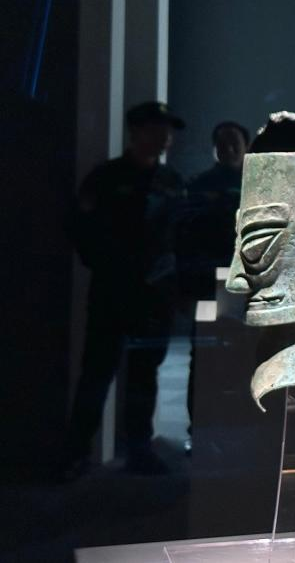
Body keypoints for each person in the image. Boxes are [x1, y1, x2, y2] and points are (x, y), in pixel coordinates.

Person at [61, 102, 186, 478]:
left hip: (154, 296)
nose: (165, 137)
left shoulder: (171, 181)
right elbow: (81, 228)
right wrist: (109, 265)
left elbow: (180, 234)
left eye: (168, 130)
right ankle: (76, 452)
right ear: (136, 132)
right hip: (113, 293)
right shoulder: (106, 178)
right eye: (157, 129)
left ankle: (139, 451)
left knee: (144, 375)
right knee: (98, 372)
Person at [175, 121, 249, 451]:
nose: (228, 149)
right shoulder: (199, 186)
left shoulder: (257, 185)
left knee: (240, 357)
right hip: (207, 284)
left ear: (246, 146)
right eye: (222, 142)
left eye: (234, 142)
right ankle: (200, 431)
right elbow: (185, 237)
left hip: (243, 285)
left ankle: (232, 431)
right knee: (204, 358)